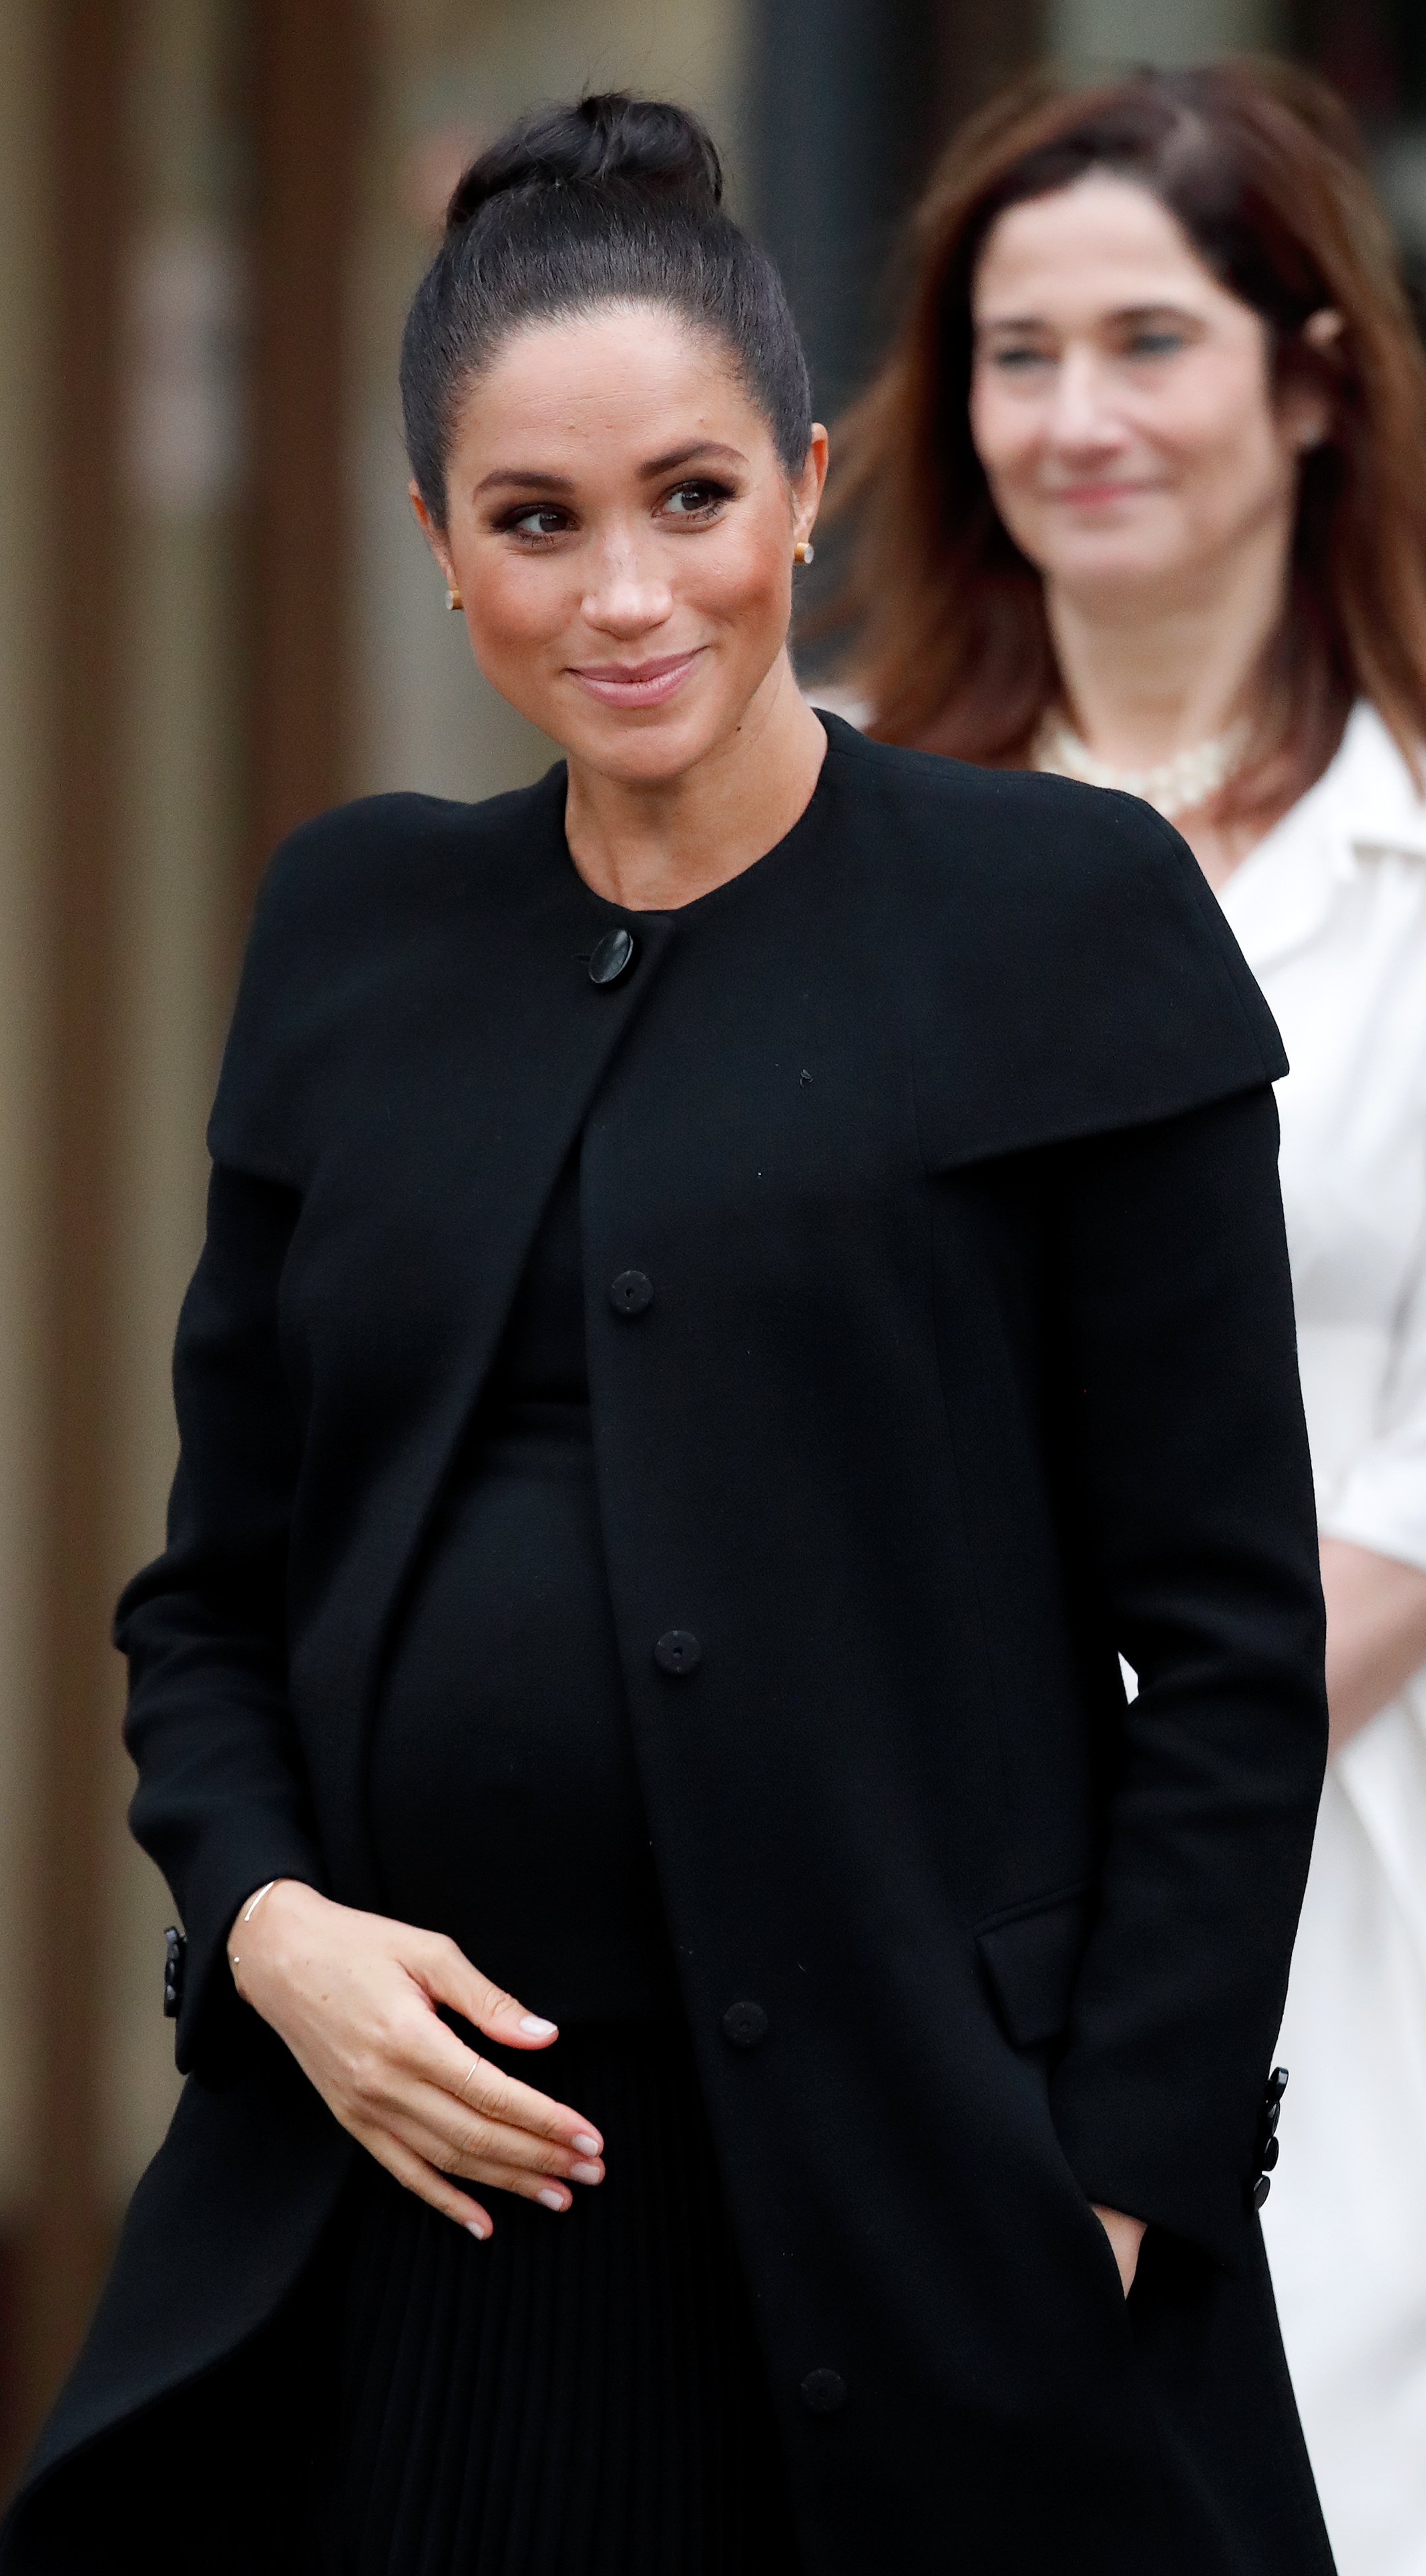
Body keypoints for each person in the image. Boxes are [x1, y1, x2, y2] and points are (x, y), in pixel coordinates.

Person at [0, 91, 1331, 2576]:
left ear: (806, 486)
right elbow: (212, 1608)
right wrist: (273, 1935)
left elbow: (1230, 1651)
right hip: (404, 2231)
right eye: (535, 522)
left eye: (692, 498)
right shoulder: (353, 933)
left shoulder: (1064, 918)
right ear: (435, 543)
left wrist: (1112, 2196)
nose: (626, 592)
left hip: (914, 2227)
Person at [826, 59, 1426, 2576]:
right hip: (882, 1879)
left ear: (1306, 375)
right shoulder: (810, 815)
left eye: (1146, 341)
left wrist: (1159, 1786)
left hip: (1360, 1853)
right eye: (1013, 350)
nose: (1074, 418)